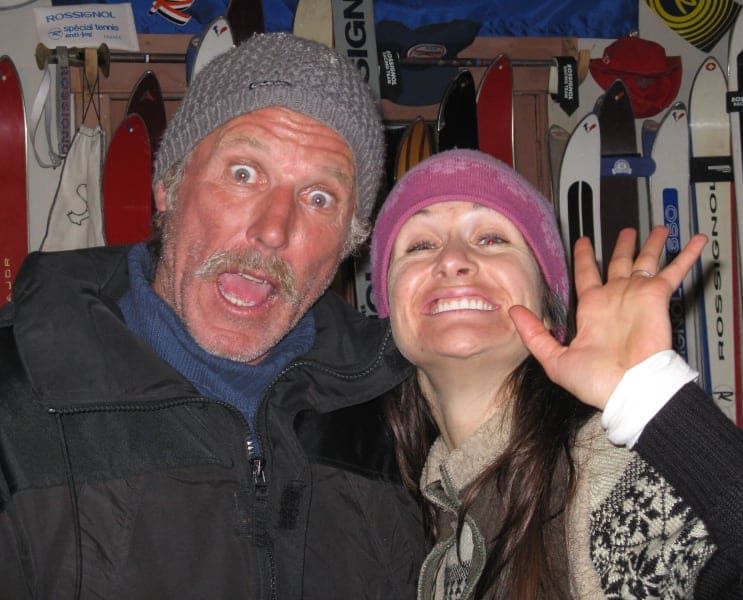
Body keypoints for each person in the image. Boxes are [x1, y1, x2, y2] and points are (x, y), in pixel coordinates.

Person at [0, 33, 426, 599]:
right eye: (244, 173)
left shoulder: (402, 412)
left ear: (348, 244)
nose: (274, 229)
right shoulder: (13, 396)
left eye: (320, 197)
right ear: (168, 185)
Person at [369, 149, 743, 599]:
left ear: (547, 299)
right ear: (387, 309)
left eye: (492, 238)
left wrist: (650, 396)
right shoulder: (421, 513)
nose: (453, 259)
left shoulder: (605, 476)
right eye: (420, 245)